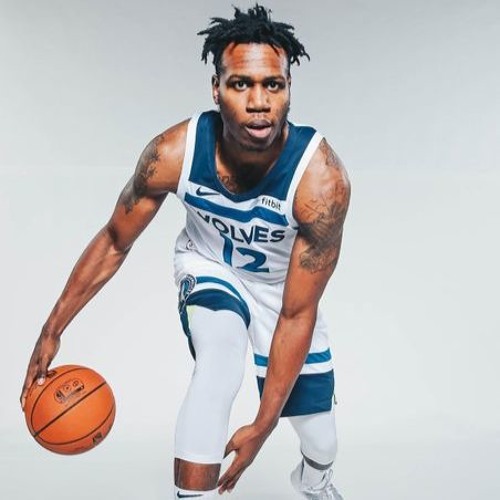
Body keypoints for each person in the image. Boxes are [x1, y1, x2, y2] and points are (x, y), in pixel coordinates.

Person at [20, 4, 350, 499]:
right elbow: (114, 241)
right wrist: (53, 328)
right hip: (209, 265)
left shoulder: (320, 181)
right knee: (219, 359)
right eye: (240, 84)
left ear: (288, 89)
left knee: (320, 437)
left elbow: (297, 313)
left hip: (282, 292)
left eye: (273, 85)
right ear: (216, 89)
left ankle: (314, 479)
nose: (258, 101)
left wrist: (262, 425)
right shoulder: (175, 153)